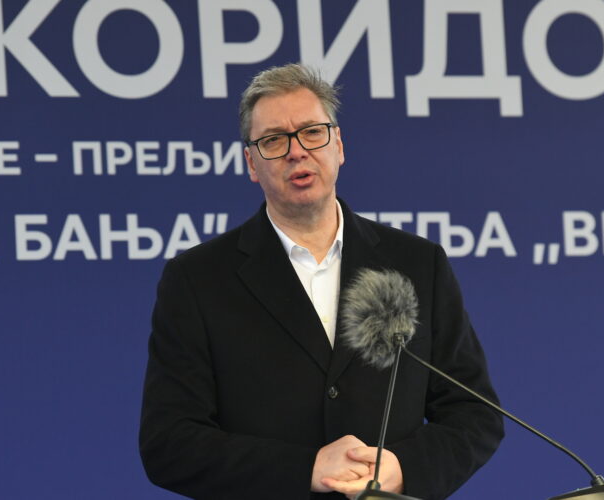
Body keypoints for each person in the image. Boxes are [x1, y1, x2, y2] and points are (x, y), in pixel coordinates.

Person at [139, 63, 503, 500]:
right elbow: (169, 443)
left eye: (312, 132)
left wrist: (403, 468)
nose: (297, 151)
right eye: (274, 140)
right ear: (251, 163)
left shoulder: (418, 264)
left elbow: (474, 413)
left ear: (339, 146)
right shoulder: (198, 280)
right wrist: (306, 469)